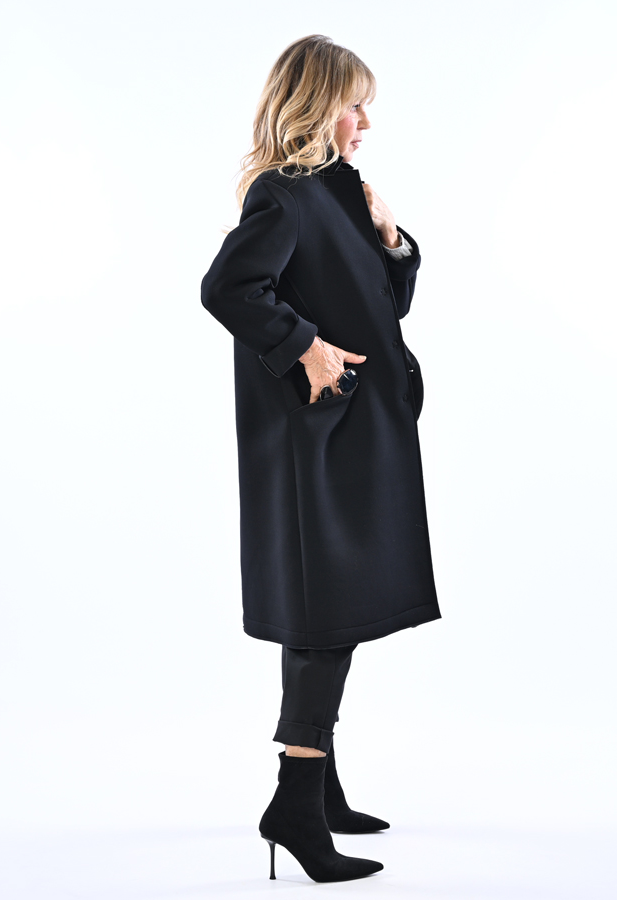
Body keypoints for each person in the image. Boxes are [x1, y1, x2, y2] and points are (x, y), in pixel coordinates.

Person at [200, 34, 441, 883]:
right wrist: (305, 348)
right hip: (317, 440)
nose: (365, 120)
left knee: (334, 609)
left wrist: (391, 239)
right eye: (353, 104)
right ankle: (295, 804)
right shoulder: (283, 194)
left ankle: (320, 786)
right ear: (314, 105)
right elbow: (228, 289)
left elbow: (383, 301)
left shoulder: (339, 192)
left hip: (360, 428)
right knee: (323, 615)